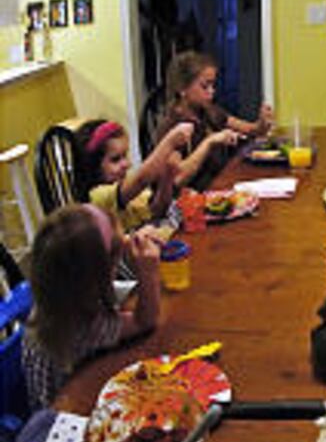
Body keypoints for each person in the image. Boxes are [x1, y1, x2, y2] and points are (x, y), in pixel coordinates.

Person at [23, 204, 163, 411]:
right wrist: (148, 272)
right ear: (95, 281)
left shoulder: (60, 292)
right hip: (70, 413)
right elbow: (145, 321)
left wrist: (122, 244)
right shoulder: (81, 327)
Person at [156, 51, 274, 188]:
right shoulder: (173, 125)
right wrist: (209, 142)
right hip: (189, 200)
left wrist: (262, 123)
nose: (212, 91)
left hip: (218, 186)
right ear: (182, 88)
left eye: (213, 85)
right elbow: (177, 178)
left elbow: (251, 130)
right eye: (205, 86)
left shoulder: (210, 111)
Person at [74, 119, 192, 232]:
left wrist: (168, 174)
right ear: (93, 166)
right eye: (116, 159)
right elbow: (141, 179)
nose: (127, 164)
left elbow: (157, 210)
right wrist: (170, 141)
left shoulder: (125, 186)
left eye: (125, 155)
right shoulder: (97, 197)